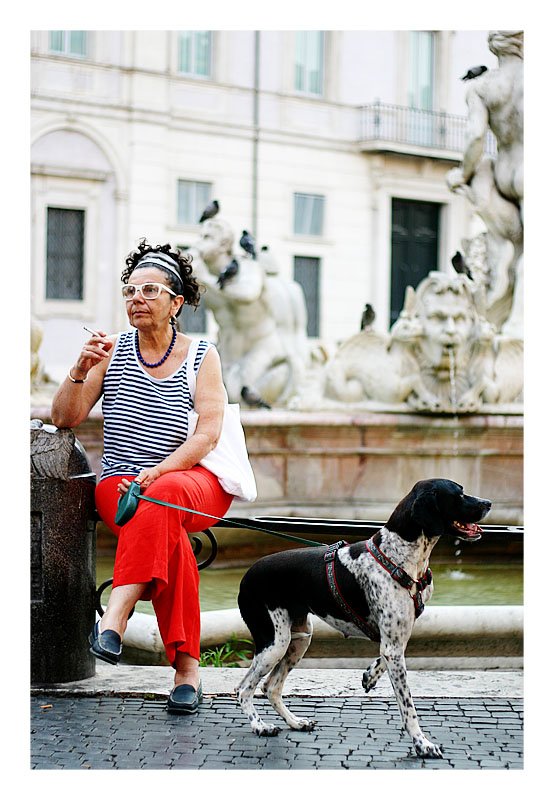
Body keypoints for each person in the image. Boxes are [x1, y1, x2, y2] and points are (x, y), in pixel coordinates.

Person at [51, 240, 233, 714]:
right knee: (169, 538)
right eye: (131, 290)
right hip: (120, 485)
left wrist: (157, 472)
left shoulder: (202, 354)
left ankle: (113, 617)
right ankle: (188, 672)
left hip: (190, 480)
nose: (136, 298)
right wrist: (78, 369)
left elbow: (208, 435)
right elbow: (64, 418)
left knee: (166, 494)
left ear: (176, 303)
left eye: (150, 290)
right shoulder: (110, 350)